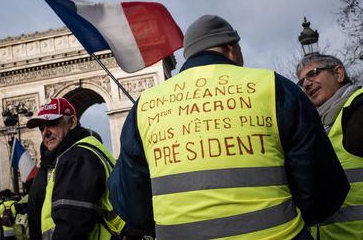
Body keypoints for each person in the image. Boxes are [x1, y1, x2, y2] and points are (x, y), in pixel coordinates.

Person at [108, 15, 350, 240]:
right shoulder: (273, 87)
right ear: (232, 48)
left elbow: (131, 204)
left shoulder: (146, 105)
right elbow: (323, 190)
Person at [26, 98, 125, 240]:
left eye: (52, 123)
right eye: (42, 128)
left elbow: (71, 225)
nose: (45, 133)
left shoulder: (76, 158)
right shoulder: (84, 152)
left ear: (72, 122)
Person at [296, 53, 363, 239]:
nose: (306, 84)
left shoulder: (358, 108)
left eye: (313, 74)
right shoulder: (320, 126)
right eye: (301, 82)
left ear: (339, 74)